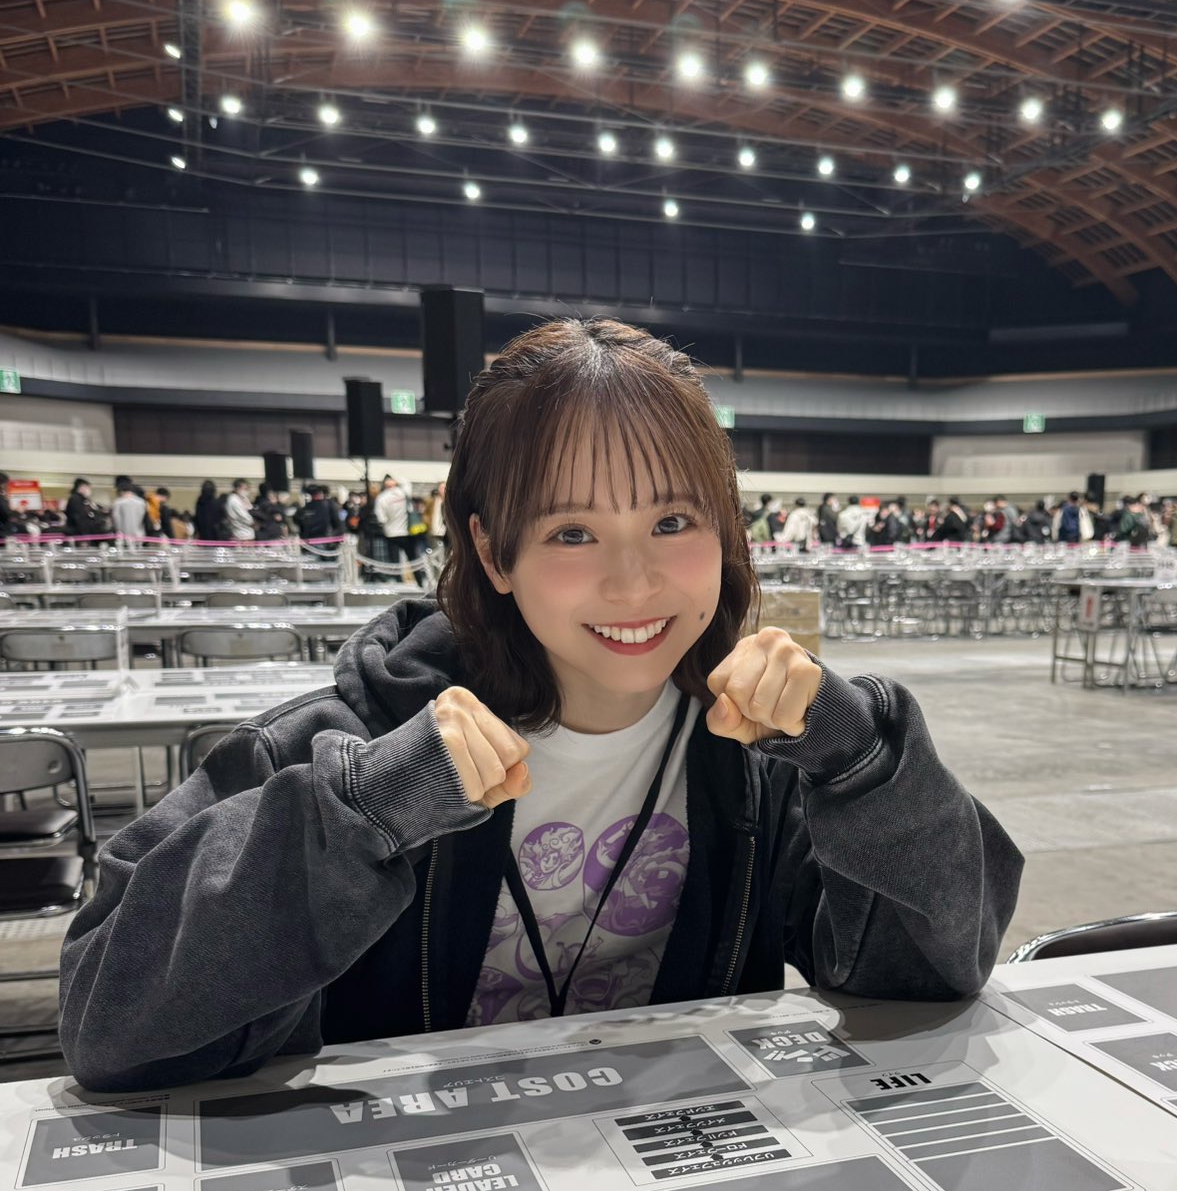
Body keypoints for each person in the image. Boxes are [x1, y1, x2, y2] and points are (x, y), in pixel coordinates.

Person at [58, 316, 1022, 1090]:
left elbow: (934, 970)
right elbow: (110, 1024)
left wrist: (862, 759)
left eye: (673, 520)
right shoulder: (341, 747)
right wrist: (365, 814)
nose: (633, 582)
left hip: (690, 1188)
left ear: (726, 530)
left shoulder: (760, 755)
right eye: (571, 533)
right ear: (492, 551)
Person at [224, 478, 254, 542]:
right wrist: (254, 522)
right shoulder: (234, 500)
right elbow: (247, 518)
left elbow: (250, 508)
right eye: (245, 489)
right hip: (241, 535)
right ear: (237, 489)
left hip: (248, 534)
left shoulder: (243, 498)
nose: (247, 491)